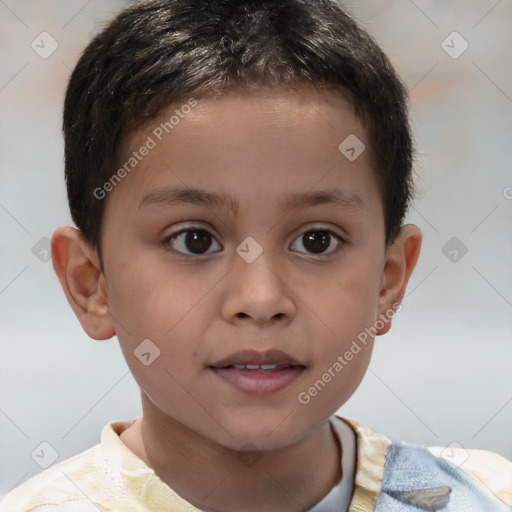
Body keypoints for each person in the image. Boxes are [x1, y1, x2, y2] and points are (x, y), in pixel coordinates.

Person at [2, 0, 511, 510]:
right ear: (92, 284)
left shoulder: (484, 497)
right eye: (194, 240)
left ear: (388, 280)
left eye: (317, 240)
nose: (261, 298)